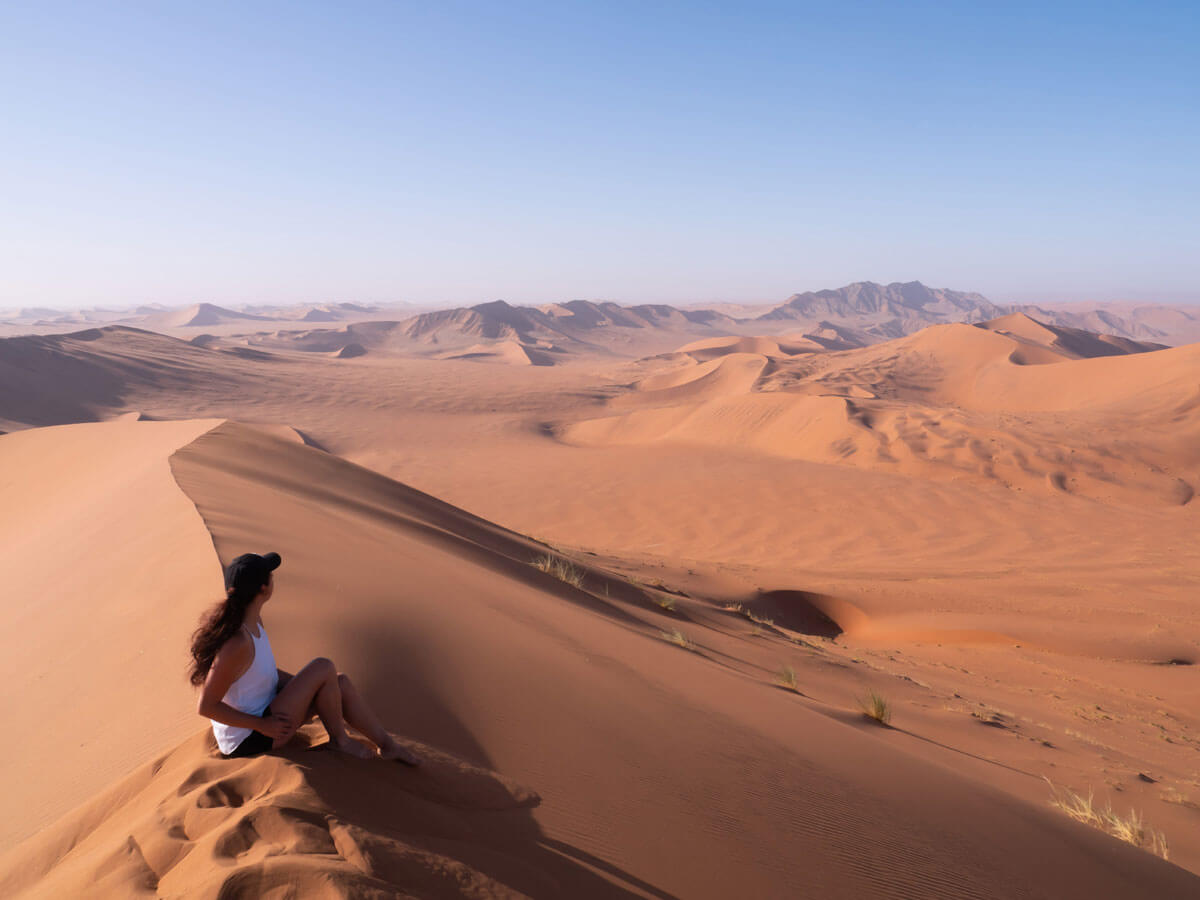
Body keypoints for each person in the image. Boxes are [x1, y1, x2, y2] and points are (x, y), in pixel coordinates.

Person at [189, 551, 418, 765]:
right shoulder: (238, 642)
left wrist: (306, 688)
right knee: (323, 666)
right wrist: (261, 724)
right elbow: (206, 706)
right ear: (263, 588)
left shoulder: (253, 622)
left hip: (266, 714)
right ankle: (341, 742)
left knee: (339, 682)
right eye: (271, 575)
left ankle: (388, 746)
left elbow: (260, 671)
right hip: (251, 738)